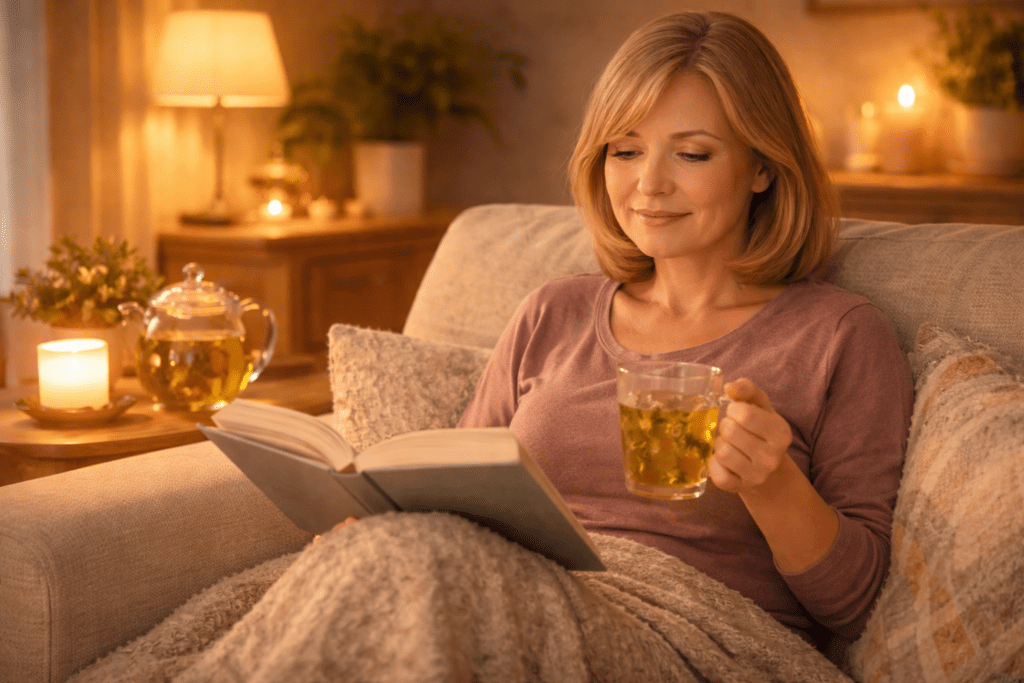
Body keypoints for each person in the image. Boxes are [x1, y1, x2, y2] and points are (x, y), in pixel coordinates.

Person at [458, 9, 914, 655]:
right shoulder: (551, 313)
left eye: (692, 153)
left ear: (763, 167)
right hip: (520, 605)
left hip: (706, 641)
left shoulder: (840, 336)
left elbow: (855, 603)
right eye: (626, 150)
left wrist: (772, 485)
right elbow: (452, 493)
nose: (649, 185)